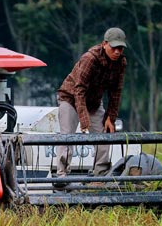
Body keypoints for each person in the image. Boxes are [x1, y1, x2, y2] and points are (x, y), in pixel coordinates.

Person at [54, 27, 127, 188]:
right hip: (70, 98)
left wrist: (110, 118)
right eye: (114, 47)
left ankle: (99, 176)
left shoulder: (121, 63)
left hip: (94, 102)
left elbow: (116, 92)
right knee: (67, 135)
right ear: (104, 44)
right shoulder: (90, 58)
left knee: (104, 135)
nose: (117, 51)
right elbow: (79, 90)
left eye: (120, 48)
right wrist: (84, 120)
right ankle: (61, 175)